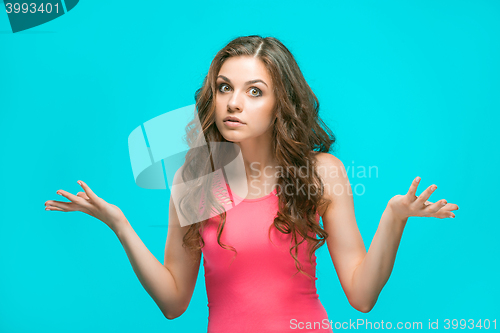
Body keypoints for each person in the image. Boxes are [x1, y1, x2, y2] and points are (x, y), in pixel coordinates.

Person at [44, 35, 459, 332]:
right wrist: (119, 224)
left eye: (255, 91)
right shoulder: (194, 179)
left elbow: (362, 297)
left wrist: (394, 217)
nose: (234, 102)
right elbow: (173, 303)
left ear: (281, 103)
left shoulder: (321, 172)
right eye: (224, 88)